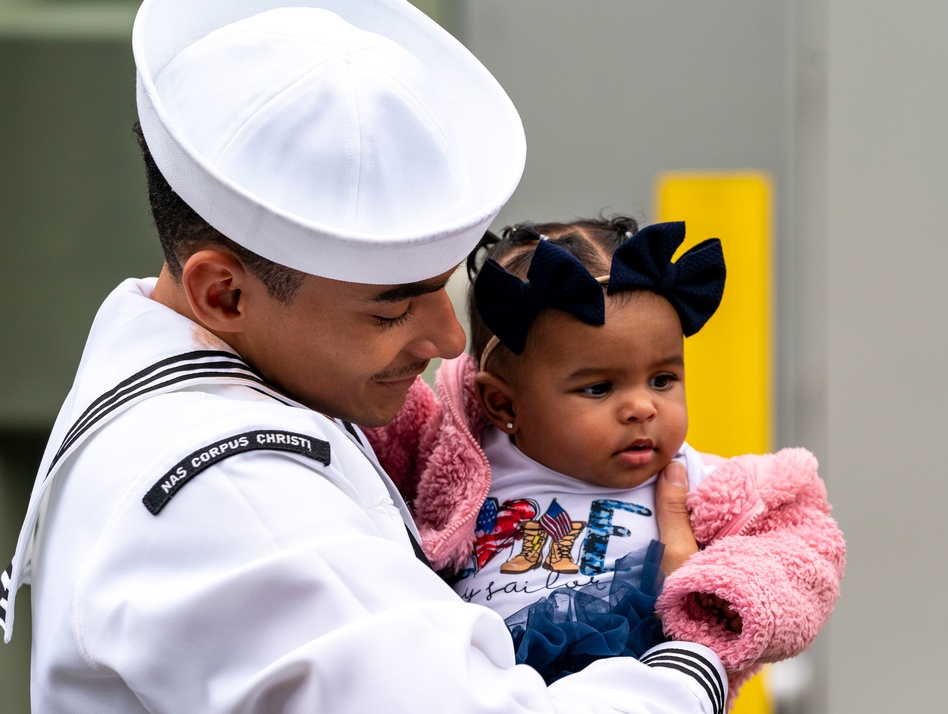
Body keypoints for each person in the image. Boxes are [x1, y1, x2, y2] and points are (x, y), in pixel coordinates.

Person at [0, 1, 732, 712]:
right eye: (390, 307)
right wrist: (694, 655)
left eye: (442, 291)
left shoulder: (195, 384)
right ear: (223, 293)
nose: (450, 341)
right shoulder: (236, 498)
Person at [364, 216, 846, 705]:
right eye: (598, 387)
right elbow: (360, 418)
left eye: (662, 379)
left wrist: (715, 593)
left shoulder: (696, 480)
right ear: (504, 406)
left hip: (640, 683)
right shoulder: (461, 458)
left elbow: (806, 548)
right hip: (477, 684)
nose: (643, 406)